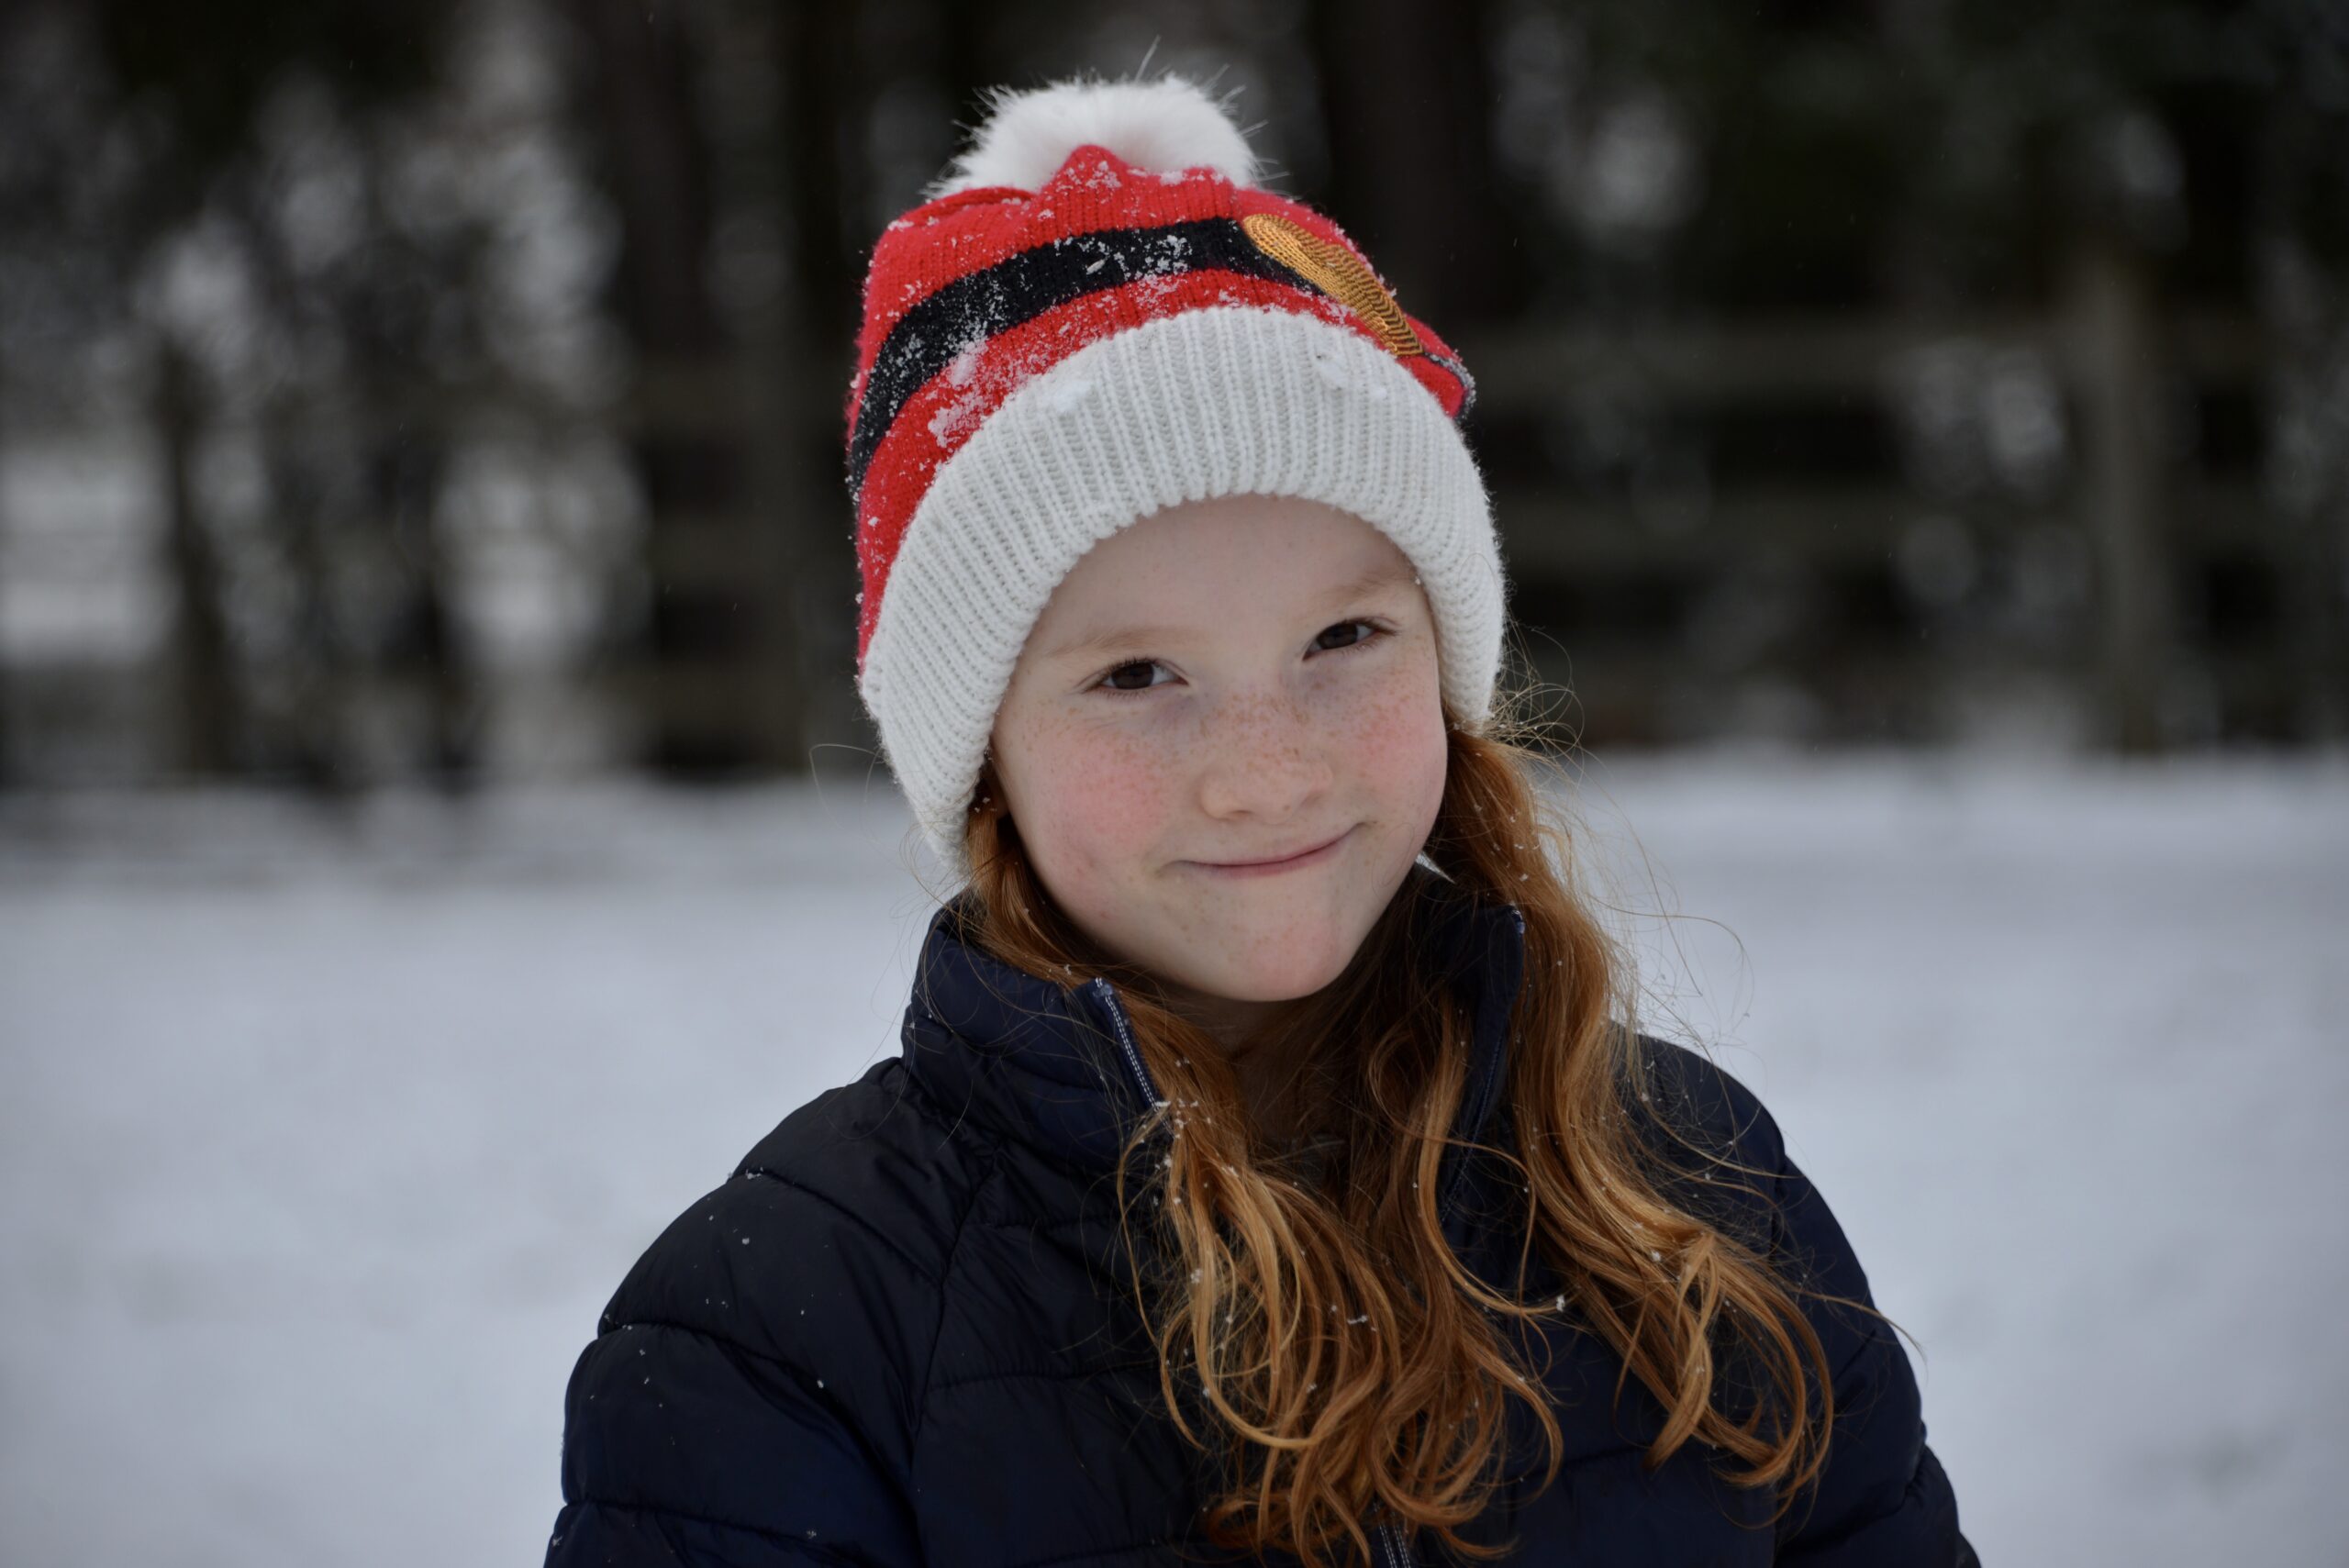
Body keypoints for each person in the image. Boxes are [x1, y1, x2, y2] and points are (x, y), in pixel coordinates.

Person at [543, 72, 1973, 1568]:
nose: (1265, 770)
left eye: (1343, 639)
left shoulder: (1694, 1194)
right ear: (986, 758)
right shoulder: (774, 1338)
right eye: (1137, 672)